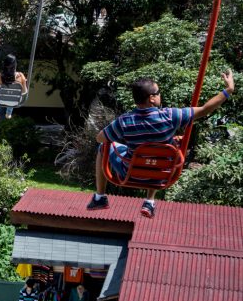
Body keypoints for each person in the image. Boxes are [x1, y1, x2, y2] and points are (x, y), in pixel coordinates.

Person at [87, 70, 235, 218]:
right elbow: (205, 109)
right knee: (159, 151)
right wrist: (228, 90)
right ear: (151, 98)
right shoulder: (170, 116)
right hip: (159, 175)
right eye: (158, 92)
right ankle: (149, 200)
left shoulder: (124, 121)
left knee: (103, 147)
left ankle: (100, 197)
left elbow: (100, 138)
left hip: (130, 173)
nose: (160, 95)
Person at [0, 54, 27, 120]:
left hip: (0, 101)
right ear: (15, 65)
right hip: (15, 102)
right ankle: (8, 113)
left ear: (5, 64)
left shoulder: (0, 76)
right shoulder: (20, 75)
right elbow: (24, 92)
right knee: (12, 94)